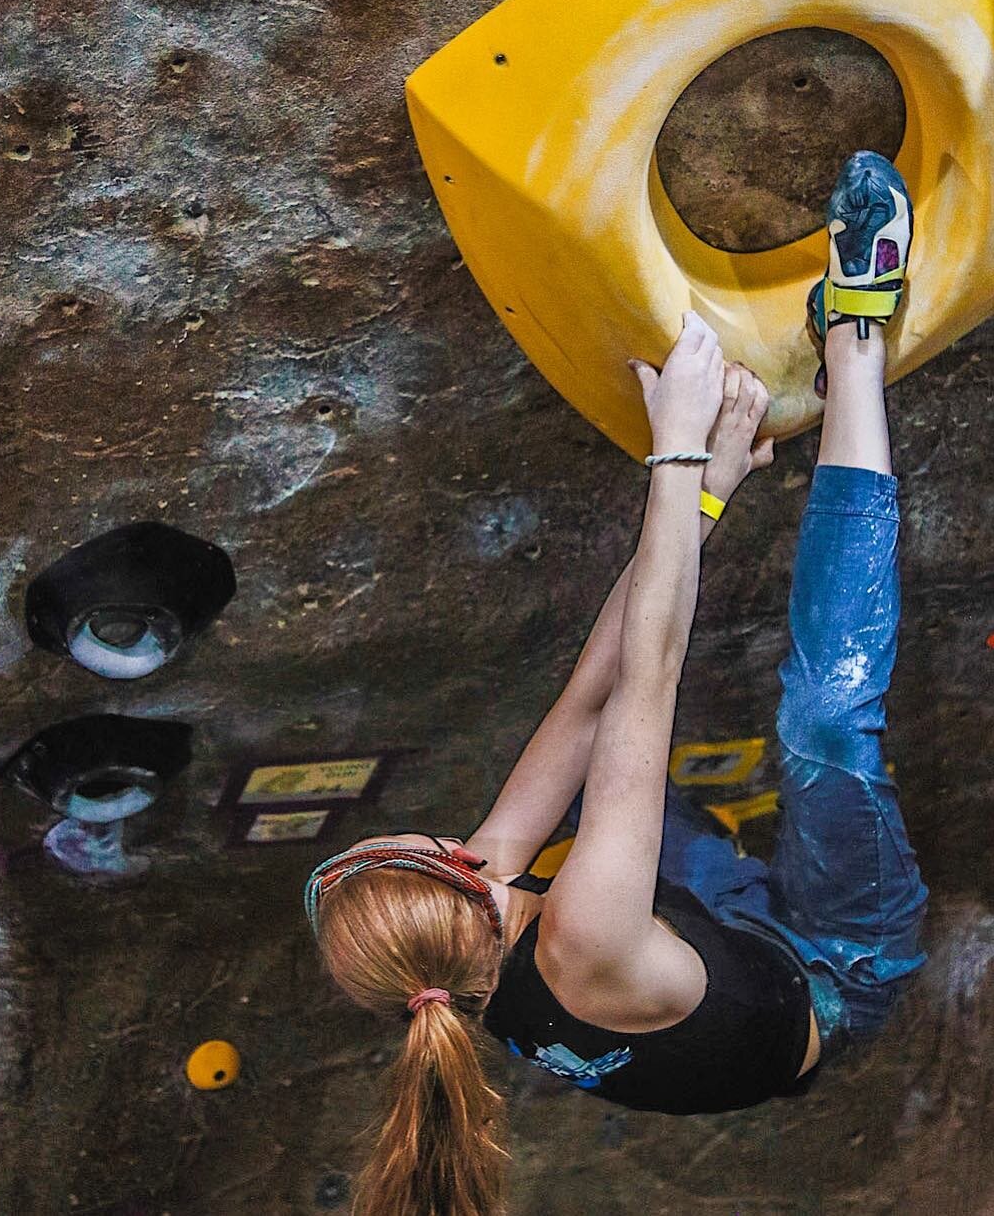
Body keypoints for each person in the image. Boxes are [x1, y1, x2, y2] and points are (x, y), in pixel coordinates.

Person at [303, 152, 929, 1216]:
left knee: (596, 773)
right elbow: (652, 670)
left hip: (707, 937)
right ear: (456, 880)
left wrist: (715, 490)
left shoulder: (469, 941)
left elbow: (589, 698)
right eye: (426, 845)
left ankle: (710, 864)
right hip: (832, 963)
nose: (451, 836)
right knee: (823, 718)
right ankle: (856, 337)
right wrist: (675, 455)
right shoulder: (576, 935)